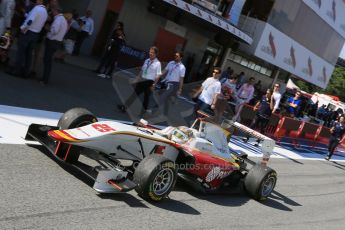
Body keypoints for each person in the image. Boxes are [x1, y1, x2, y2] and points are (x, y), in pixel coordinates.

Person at [7, 0, 48, 78]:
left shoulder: (36, 9)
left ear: (40, 1)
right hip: (35, 34)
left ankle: (17, 70)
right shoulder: (45, 12)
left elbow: (30, 20)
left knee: (21, 52)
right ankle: (26, 72)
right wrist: (25, 14)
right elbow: (32, 17)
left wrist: (23, 28)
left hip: (28, 32)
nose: (35, 1)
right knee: (29, 54)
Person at [118, 46, 162, 115]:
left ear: (156, 54)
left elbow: (158, 74)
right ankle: (124, 107)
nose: (150, 53)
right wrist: (137, 78)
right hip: (142, 80)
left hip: (149, 82)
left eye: (152, 53)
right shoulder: (147, 60)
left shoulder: (158, 63)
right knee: (134, 94)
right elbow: (142, 70)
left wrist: (154, 84)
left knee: (146, 97)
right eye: (150, 52)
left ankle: (143, 112)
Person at [40, 6, 68, 85]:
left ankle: (45, 79)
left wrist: (47, 29)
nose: (51, 12)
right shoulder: (63, 20)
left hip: (52, 41)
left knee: (47, 60)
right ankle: (45, 78)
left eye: (52, 11)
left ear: (56, 11)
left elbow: (54, 30)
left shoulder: (58, 19)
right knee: (48, 60)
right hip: (57, 42)